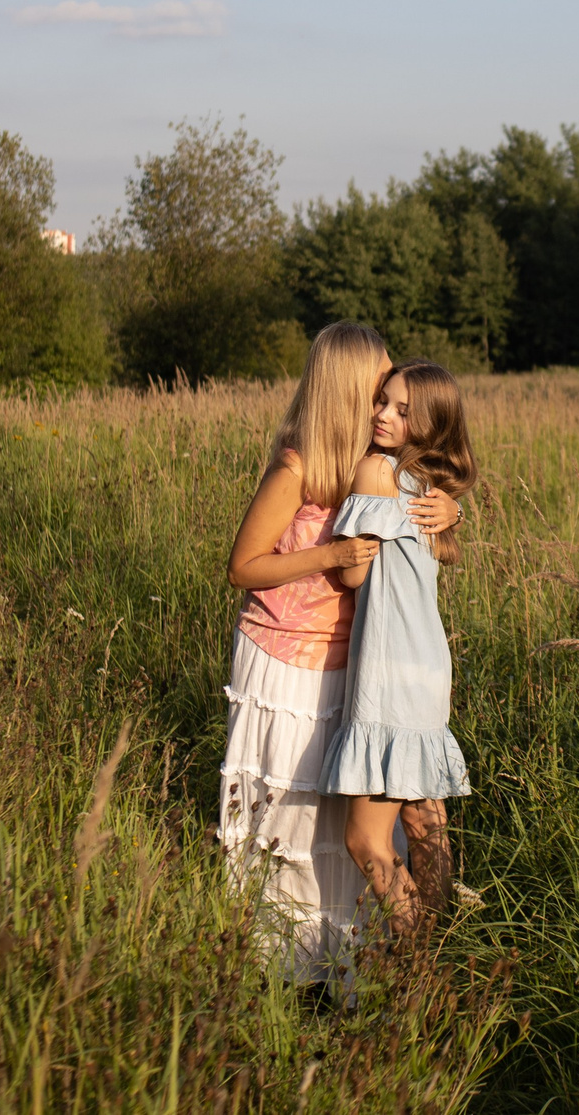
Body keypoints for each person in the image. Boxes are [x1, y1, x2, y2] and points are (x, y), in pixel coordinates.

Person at [220, 325, 458, 982]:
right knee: (295, 816)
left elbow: (427, 514)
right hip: (286, 659)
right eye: (378, 388)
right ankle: (293, 964)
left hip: (354, 663)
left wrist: (450, 510)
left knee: (345, 827)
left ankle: (373, 962)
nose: (385, 402)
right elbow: (243, 566)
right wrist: (327, 553)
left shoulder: (382, 464)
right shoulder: (299, 465)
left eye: (395, 395)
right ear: (350, 388)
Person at [323, 360, 477, 934]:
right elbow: (443, 551)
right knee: (421, 818)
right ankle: (444, 953)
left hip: (387, 665)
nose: (383, 415)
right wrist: (456, 511)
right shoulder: (432, 485)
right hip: (428, 666)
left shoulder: (375, 471)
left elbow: (354, 578)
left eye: (402, 410)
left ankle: (418, 973)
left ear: (428, 421)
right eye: (382, 401)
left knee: (366, 840)